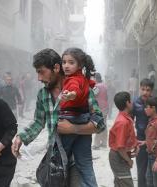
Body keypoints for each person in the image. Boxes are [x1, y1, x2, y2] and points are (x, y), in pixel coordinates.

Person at [11, 48, 105, 187]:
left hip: (76, 161)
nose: (39, 78)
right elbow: (38, 122)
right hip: (55, 160)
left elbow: (100, 124)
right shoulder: (42, 94)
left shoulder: (80, 89)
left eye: (41, 72)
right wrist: (21, 138)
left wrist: (74, 128)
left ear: (55, 68)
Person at [59, 47, 98, 186]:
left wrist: (70, 95)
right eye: (64, 62)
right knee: (86, 163)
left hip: (70, 118)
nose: (66, 65)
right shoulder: (84, 79)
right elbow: (90, 85)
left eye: (71, 62)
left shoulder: (72, 80)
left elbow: (74, 90)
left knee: (59, 160)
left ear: (80, 65)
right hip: (83, 118)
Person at [109, 92, 138, 187]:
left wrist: (135, 145)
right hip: (118, 157)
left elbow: (126, 140)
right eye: (131, 101)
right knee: (126, 183)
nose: (132, 103)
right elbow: (120, 147)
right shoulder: (123, 122)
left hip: (120, 156)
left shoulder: (125, 118)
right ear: (127, 103)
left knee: (120, 183)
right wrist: (129, 161)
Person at [132, 78, 154, 187]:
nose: (145, 92)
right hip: (140, 138)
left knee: (153, 168)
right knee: (141, 168)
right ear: (139, 89)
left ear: (152, 91)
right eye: (143, 89)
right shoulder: (135, 103)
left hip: (154, 139)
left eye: (148, 90)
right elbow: (130, 121)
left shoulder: (156, 102)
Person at [93, 72, 109, 149]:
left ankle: (96, 144)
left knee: (98, 125)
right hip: (105, 107)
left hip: (98, 108)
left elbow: (93, 96)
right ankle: (104, 143)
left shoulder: (96, 87)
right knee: (104, 125)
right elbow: (107, 97)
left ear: (96, 78)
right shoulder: (105, 86)